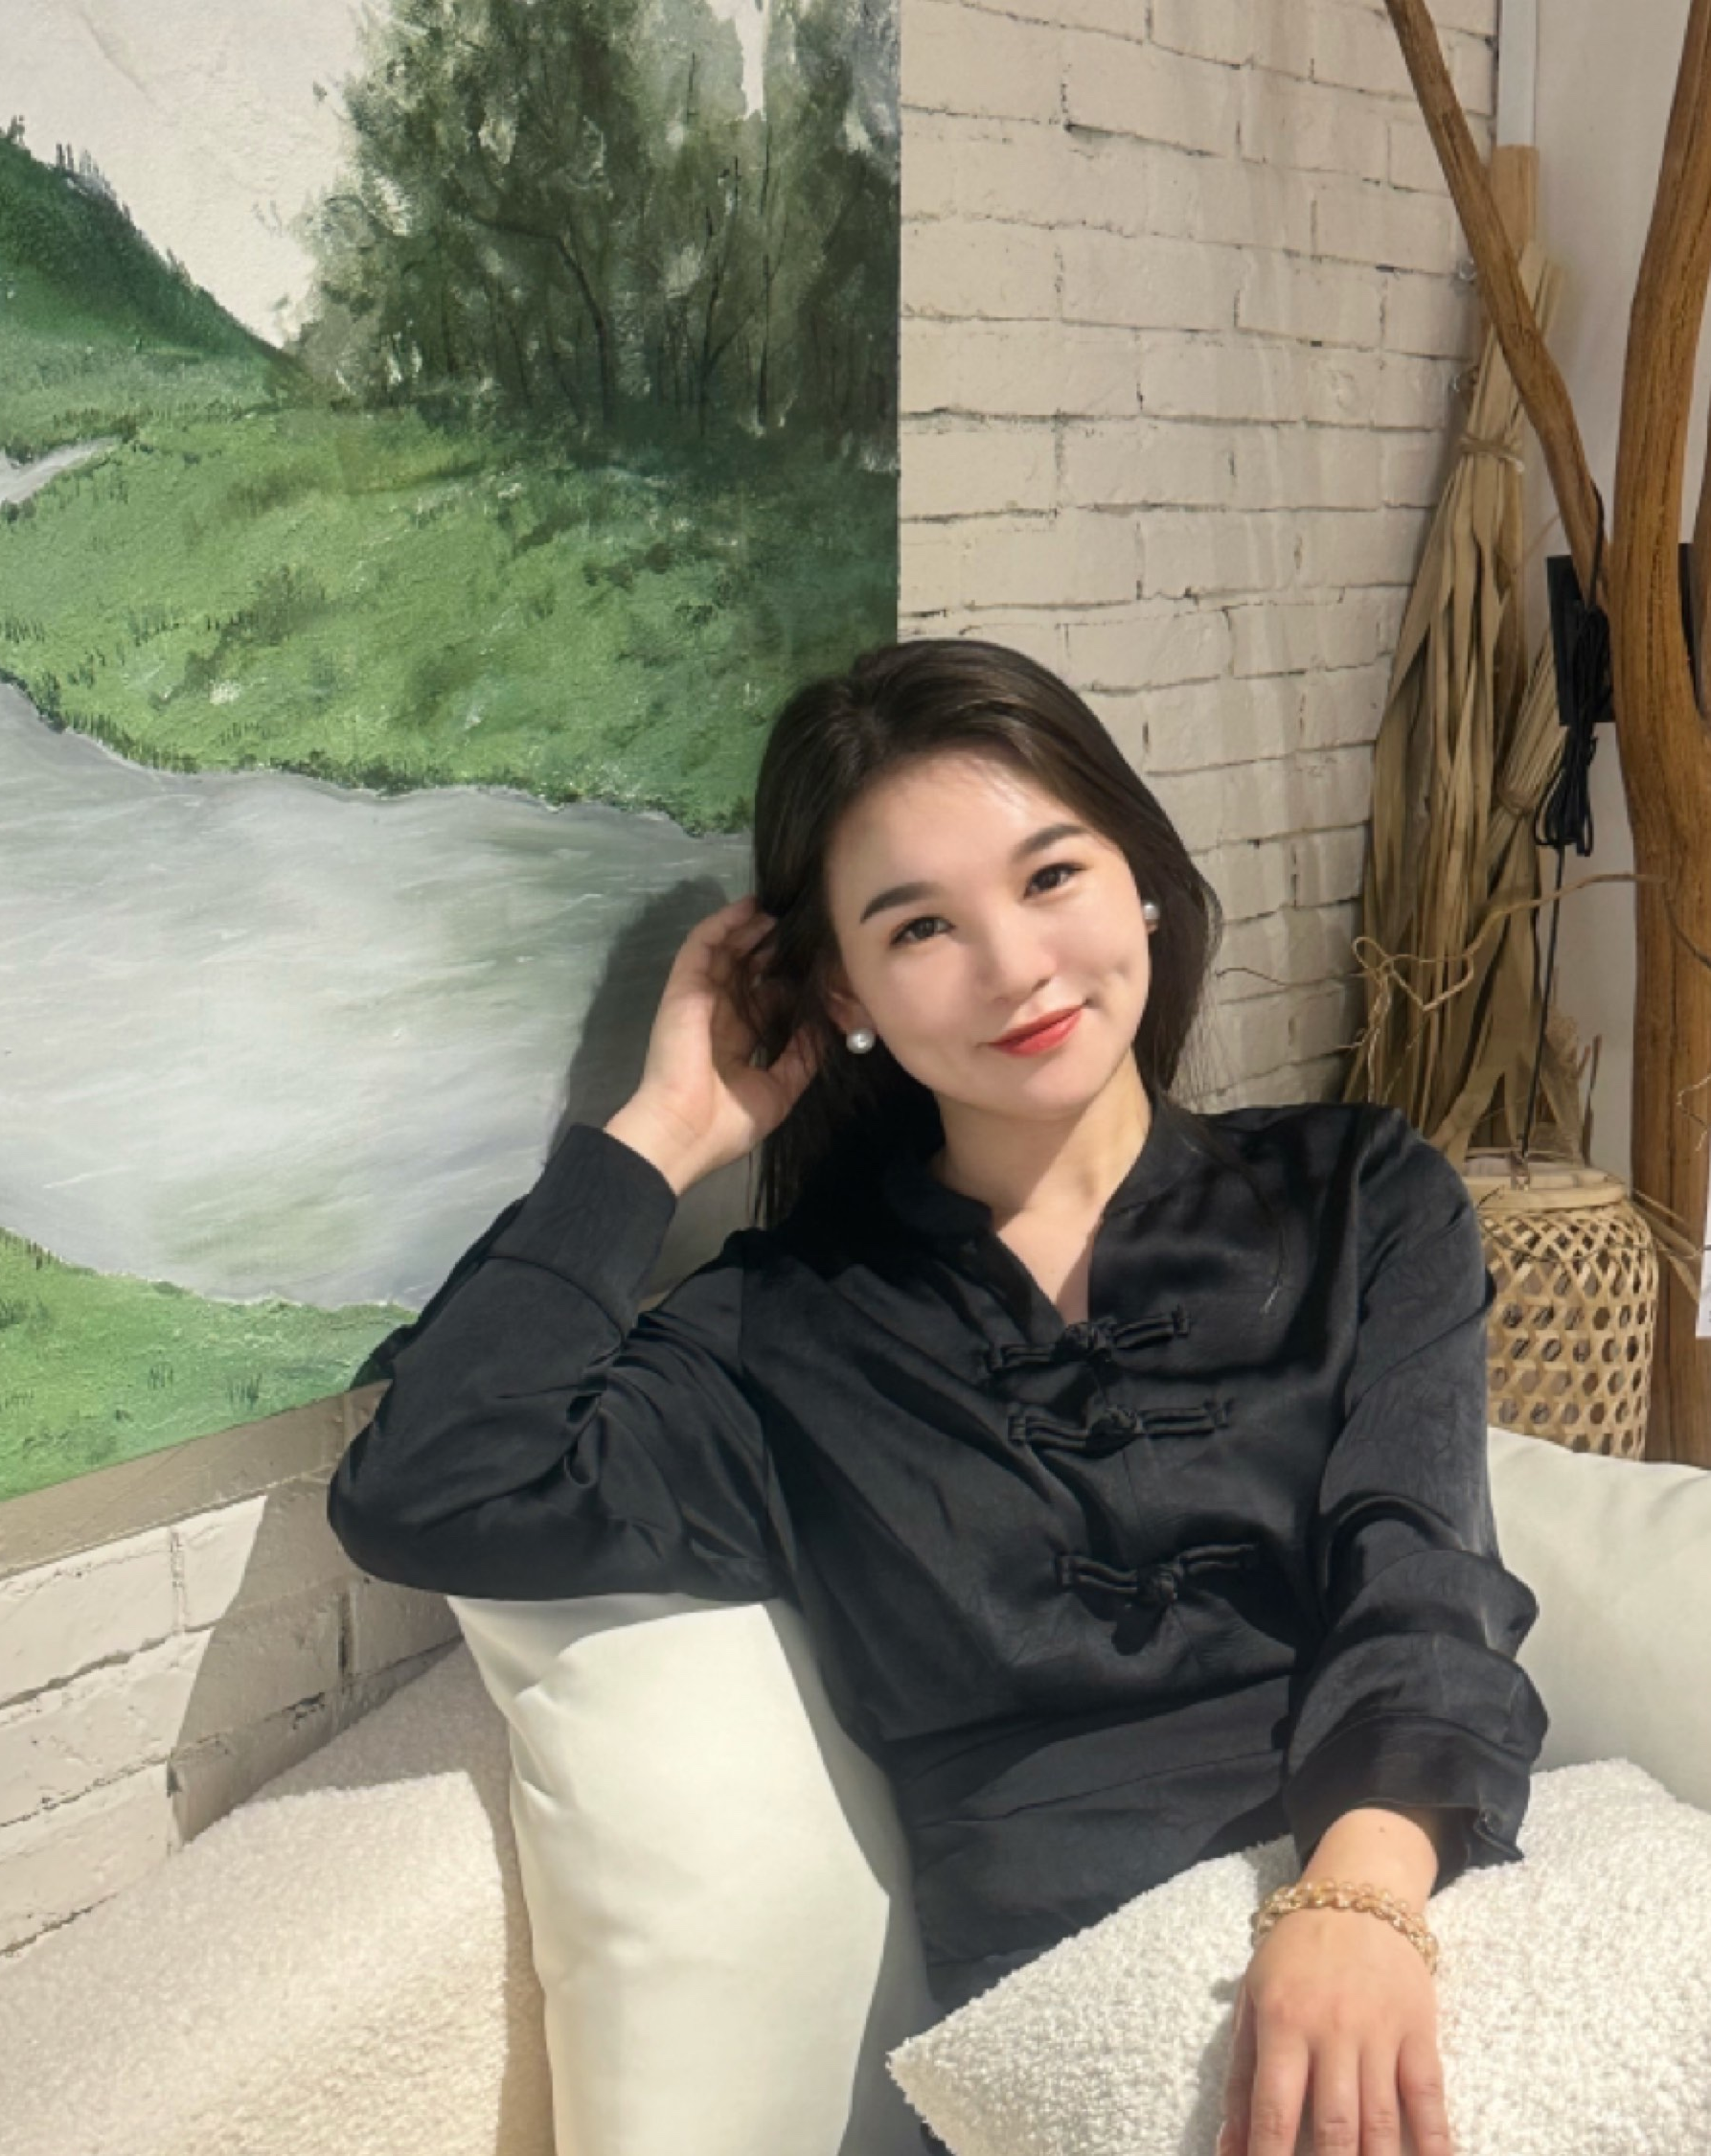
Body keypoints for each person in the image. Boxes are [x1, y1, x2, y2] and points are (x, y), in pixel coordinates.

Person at [326, 637, 1548, 2156]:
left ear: (1139, 874)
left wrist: (1355, 1898)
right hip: (1072, 2045)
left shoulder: (1360, 1191)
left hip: (1404, 1904)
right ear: (842, 987)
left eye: (1051, 875)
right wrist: (661, 1132)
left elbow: (1421, 1568)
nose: (1015, 965)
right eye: (920, 926)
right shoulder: (781, 1327)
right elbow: (432, 1483)